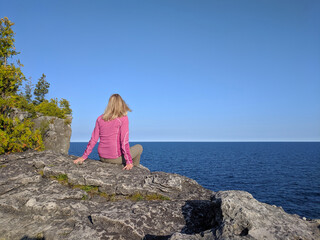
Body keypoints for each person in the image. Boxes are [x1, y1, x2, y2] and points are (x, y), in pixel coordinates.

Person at [73, 94, 143, 170]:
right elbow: (124, 142)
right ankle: (133, 168)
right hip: (115, 159)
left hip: (102, 157)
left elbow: (93, 139)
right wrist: (129, 161)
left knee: (128, 150)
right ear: (121, 104)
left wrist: (83, 157)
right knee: (139, 147)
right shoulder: (123, 118)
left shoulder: (100, 118)